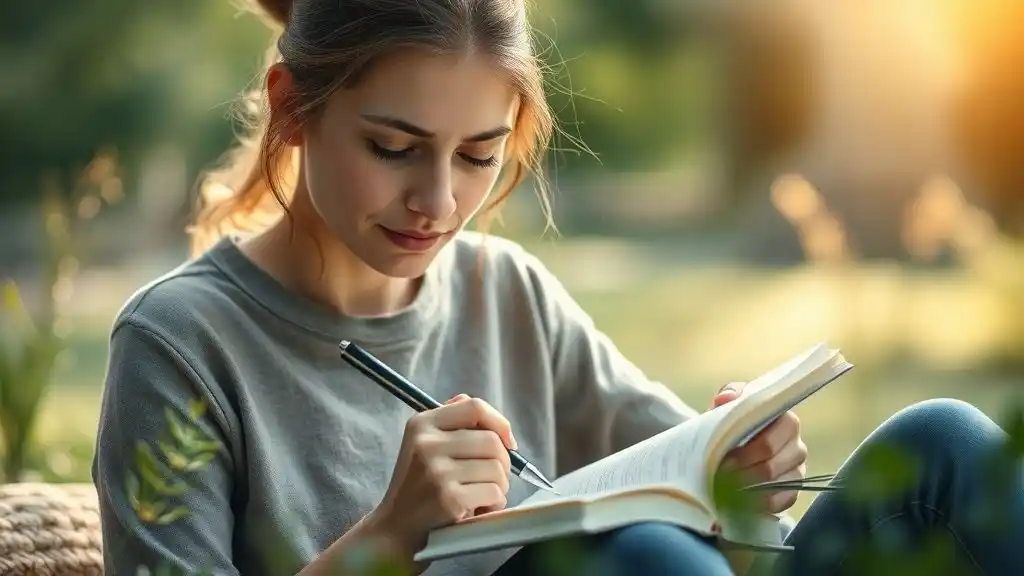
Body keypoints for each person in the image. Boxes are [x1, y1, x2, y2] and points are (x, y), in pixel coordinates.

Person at [91, 0, 1024, 574]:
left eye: (480, 156)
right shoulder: (181, 346)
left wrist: (745, 463)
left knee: (946, 440)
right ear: (294, 107)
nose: (439, 200)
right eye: (394, 148)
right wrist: (387, 538)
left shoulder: (508, 292)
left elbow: (684, 480)